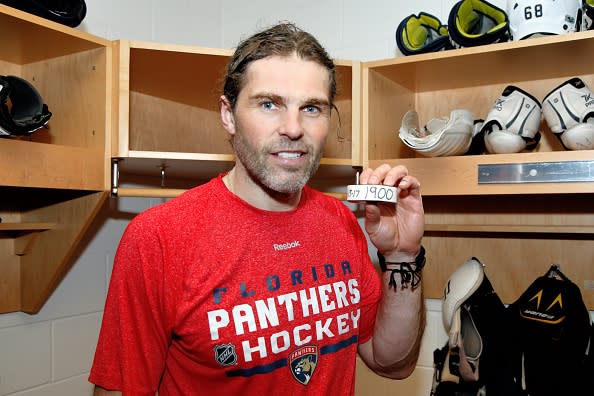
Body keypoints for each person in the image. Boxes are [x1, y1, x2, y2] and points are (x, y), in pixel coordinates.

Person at [89, 22, 426, 395]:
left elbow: (393, 363)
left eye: (311, 108)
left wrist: (401, 256)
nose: (293, 128)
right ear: (228, 115)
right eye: (269, 104)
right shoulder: (158, 238)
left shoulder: (340, 221)